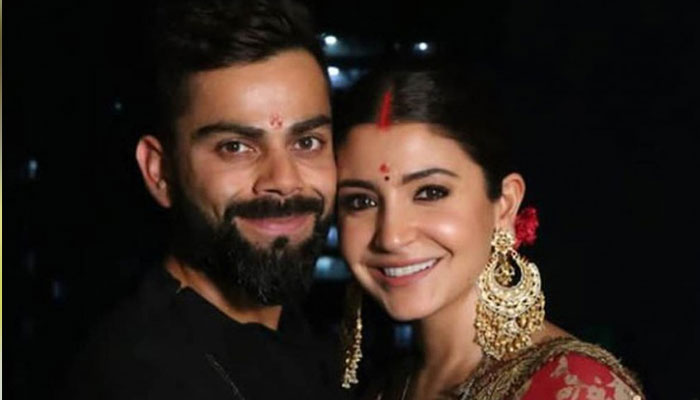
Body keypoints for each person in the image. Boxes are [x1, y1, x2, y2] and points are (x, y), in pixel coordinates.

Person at [66, 0, 344, 398]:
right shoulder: (139, 375)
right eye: (235, 147)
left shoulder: (313, 342)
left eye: (307, 142)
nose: (284, 181)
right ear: (160, 172)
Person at [333, 66, 645, 399]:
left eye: (430, 193)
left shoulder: (574, 388)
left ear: (505, 205)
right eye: (361, 201)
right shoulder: (389, 386)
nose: (391, 237)